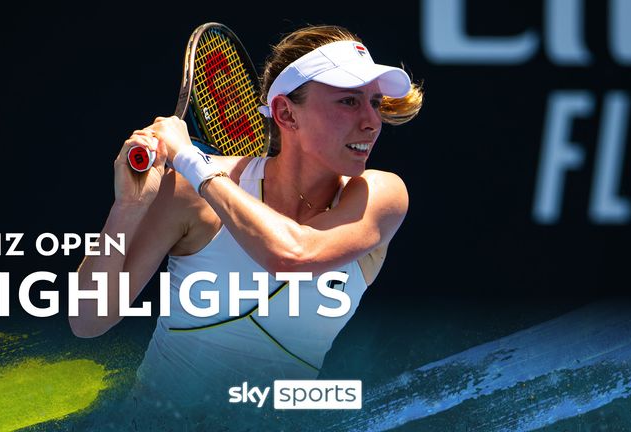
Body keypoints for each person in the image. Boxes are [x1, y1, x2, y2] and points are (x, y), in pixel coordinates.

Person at [70, 24, 423, 430]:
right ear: (287, 113)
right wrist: (129, 206)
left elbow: (293, 254)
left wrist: (190, 159)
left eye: (375, 103)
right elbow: (88, 319)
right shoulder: (188, 192)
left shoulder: (381, 195)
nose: (371, 122)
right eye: (348, 101)